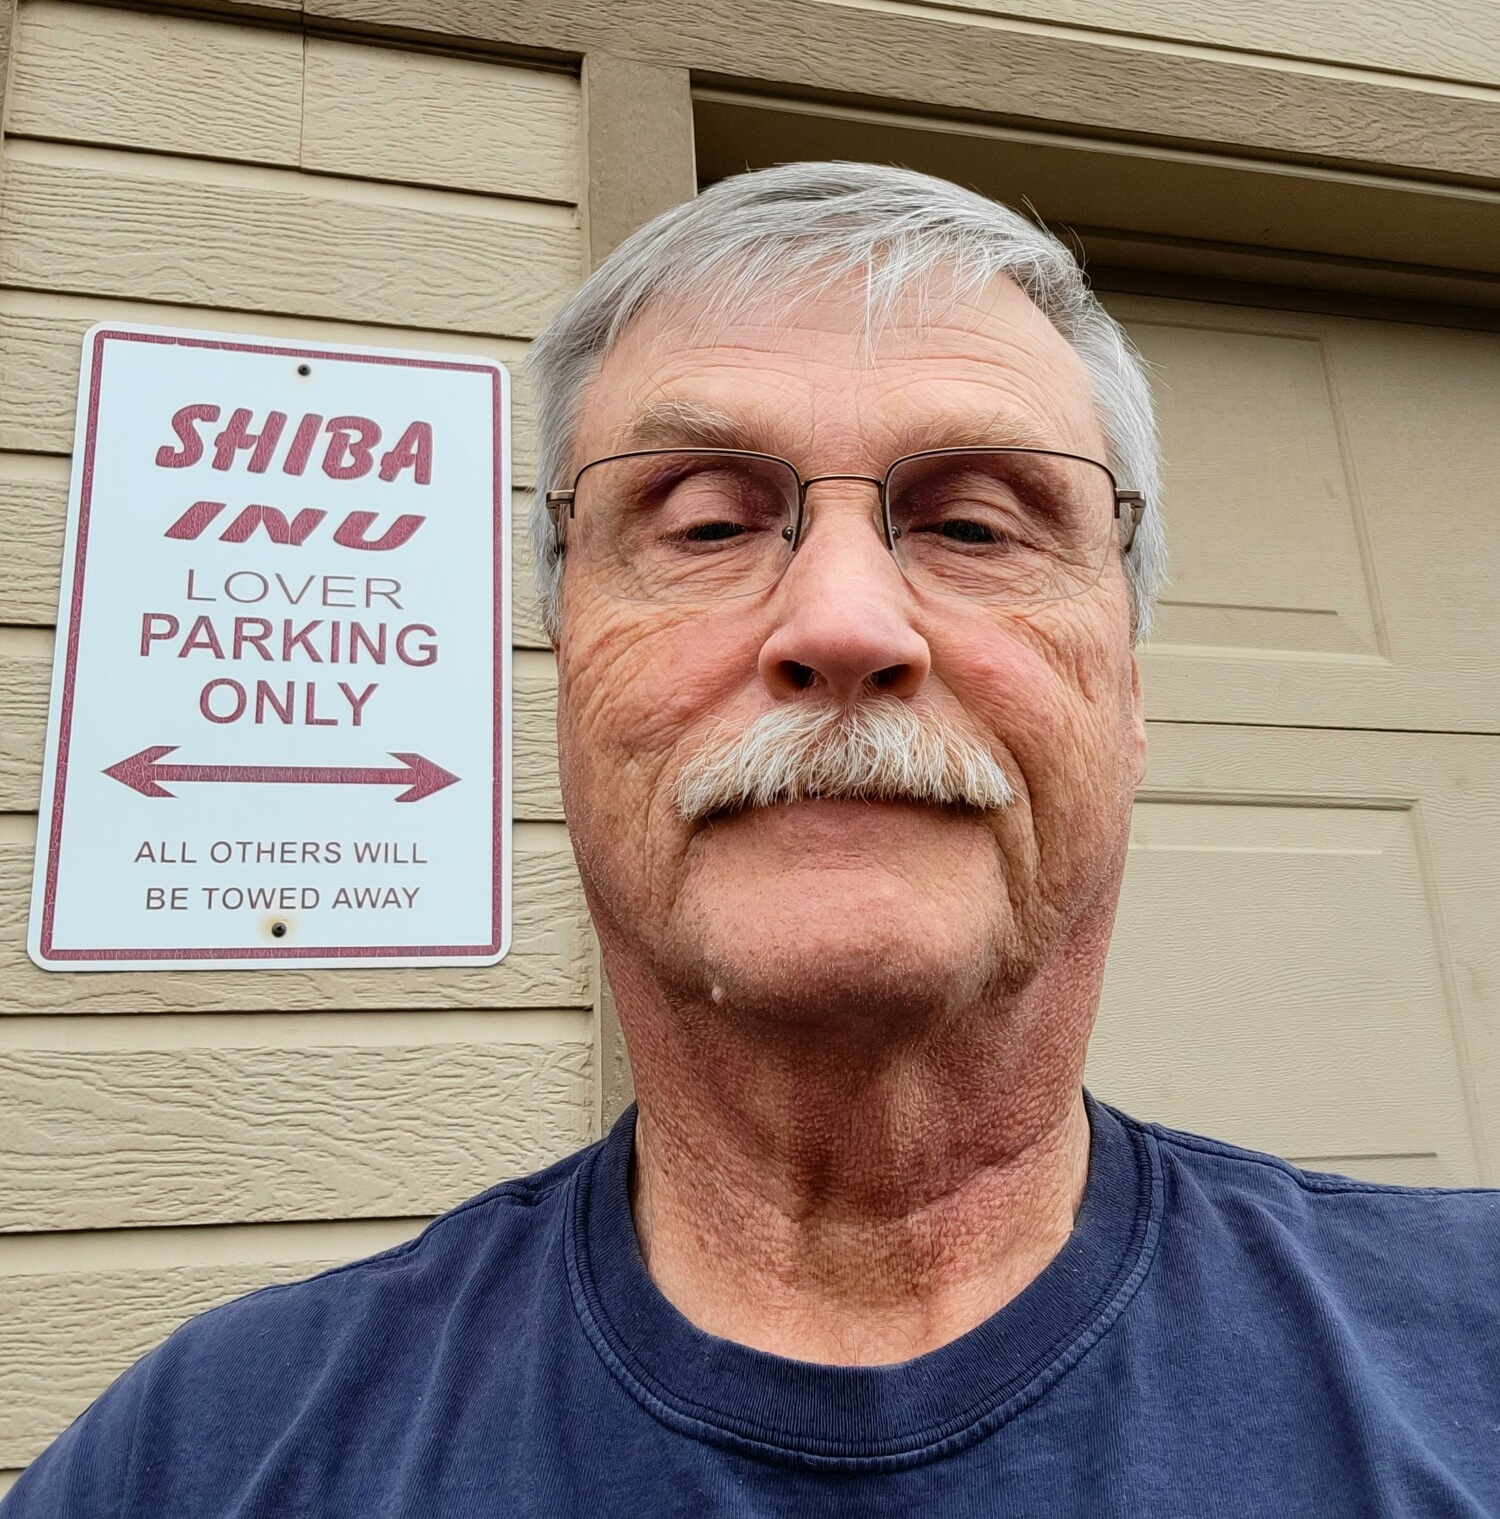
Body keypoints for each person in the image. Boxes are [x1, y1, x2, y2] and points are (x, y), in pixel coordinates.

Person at [8, 163, 1498, 1516]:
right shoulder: (195, 1464)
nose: (843, 622)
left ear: (1128, 698)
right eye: (709, 526)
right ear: (567, 681)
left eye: (976, 526)